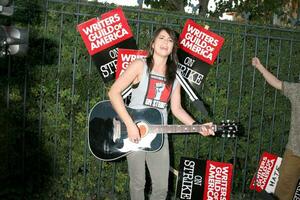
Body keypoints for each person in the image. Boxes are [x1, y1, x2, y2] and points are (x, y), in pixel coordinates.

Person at [108, 27, 215, 200]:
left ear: (173, 47)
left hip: (159, 135)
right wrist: (130, 125)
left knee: (161, 188)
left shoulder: (176, 75)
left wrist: (197, 126)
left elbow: (177, 109)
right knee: (138, 183)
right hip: (133, 131)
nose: (165, 43)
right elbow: (113, 93)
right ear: (153, 43)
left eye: (170, 40)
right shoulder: (139, 65)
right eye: (162, 38)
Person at [252, 57, 300, 200]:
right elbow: (276, 83)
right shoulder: (297, 90)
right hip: (295, 152)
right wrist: (260, 67)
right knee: (283, 193)